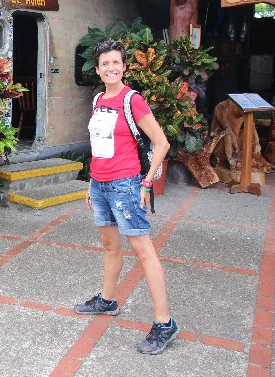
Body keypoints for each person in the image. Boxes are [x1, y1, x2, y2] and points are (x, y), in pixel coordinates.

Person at [74, 39, 177, 355]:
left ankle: (165, 323)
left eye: (115, 62)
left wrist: (146, 184)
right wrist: (92, 184)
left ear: (124, 67)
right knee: (109, 246)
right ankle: (107, 300)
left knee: (143, 251)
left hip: (126, 185)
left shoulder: (133, 100)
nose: (110, 68)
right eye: (105, 63)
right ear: (98, 69)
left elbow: (161, 143)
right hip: (101, 185)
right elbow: (98, 144)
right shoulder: (98, 100)